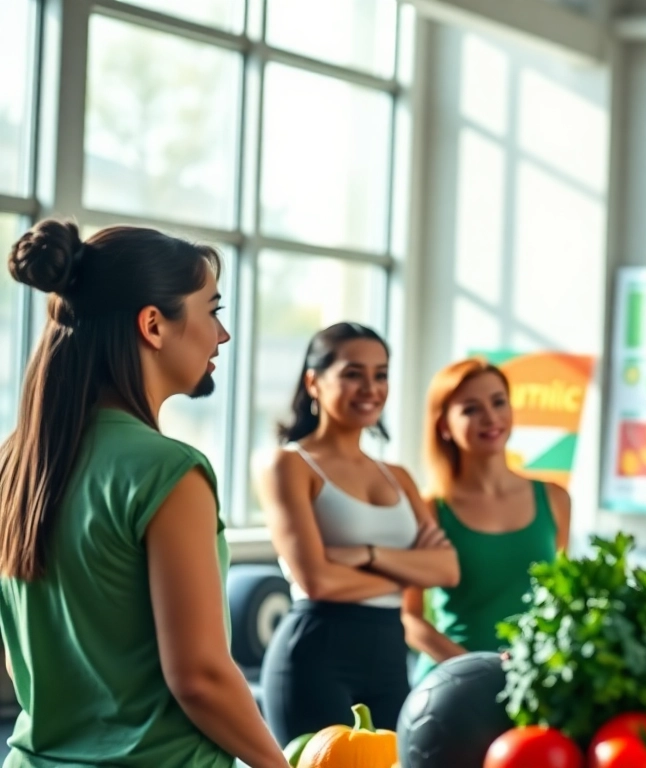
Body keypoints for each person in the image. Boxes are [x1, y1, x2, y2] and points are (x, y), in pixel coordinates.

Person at [0, 221, 288, 768]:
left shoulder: (14, 464)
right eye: (213, 311)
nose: (221, 337)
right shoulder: (169, 470)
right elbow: (200, 677)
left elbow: (22, 665)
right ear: (154, 325)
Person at [257, 323, 459, 745]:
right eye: (353, 373)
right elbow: (317, 580)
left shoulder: (398, 476)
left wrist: (366, 552)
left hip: (388, 654)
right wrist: (407, 573)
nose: (370, 387)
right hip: (315, 654)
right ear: (313, 381)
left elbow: (446, 568)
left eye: (380, 374)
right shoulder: (289, 466)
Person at [403, 358, 571, 682]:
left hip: (533, 679)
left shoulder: (555, 498)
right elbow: (410, 619)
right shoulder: (430, 509)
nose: (491, 418)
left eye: (498, 402)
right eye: (471, 409)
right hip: (453, 683)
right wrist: (478, 668)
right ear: (443, 425)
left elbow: (560, 598)